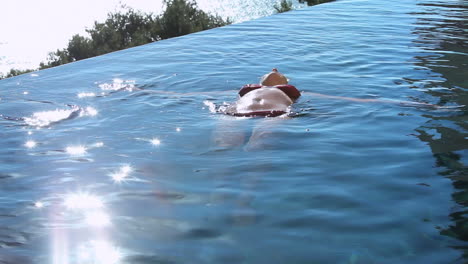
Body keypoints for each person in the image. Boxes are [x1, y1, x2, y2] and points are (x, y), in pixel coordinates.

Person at [223, 68, 301, 117]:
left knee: (225, 141)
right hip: (276, 112)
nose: (274, 70)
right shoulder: (288, 93)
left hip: (239, 111)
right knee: (263, 141)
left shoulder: (250, 90)